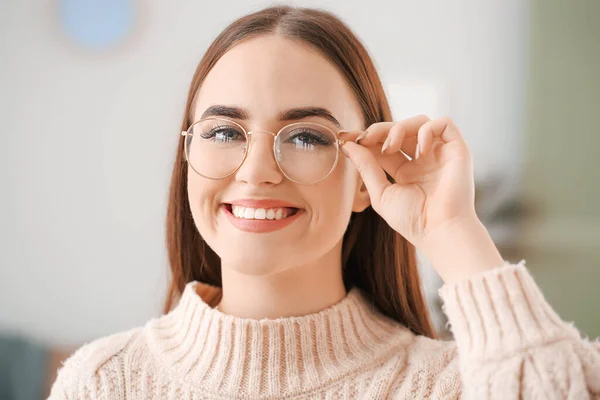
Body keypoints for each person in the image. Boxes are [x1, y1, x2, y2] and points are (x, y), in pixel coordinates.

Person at [48, 5, 600, 399]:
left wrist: (454, 231)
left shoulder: (453, 386)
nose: (257, 171)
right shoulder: (103, 383)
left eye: (307, 136)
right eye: (223, 133)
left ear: (365, 178)